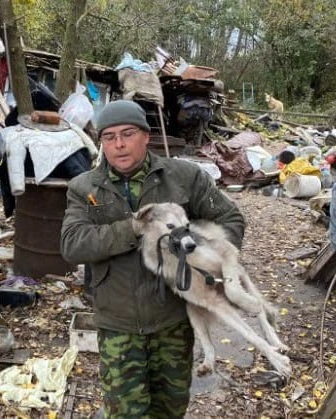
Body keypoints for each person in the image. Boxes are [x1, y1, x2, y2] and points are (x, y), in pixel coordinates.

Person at [60, 100, 245, 418]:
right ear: (101, 142)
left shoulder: (184, 177)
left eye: (128, 133)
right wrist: (132, 228)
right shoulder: (84, 188)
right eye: (109, 136)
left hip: (171, 319)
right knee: (125, 413)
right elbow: (72, 245)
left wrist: (202, 253)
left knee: (170, 408)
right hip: (117, 322)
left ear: (146, 136)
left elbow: (230, 220)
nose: (118, 144)